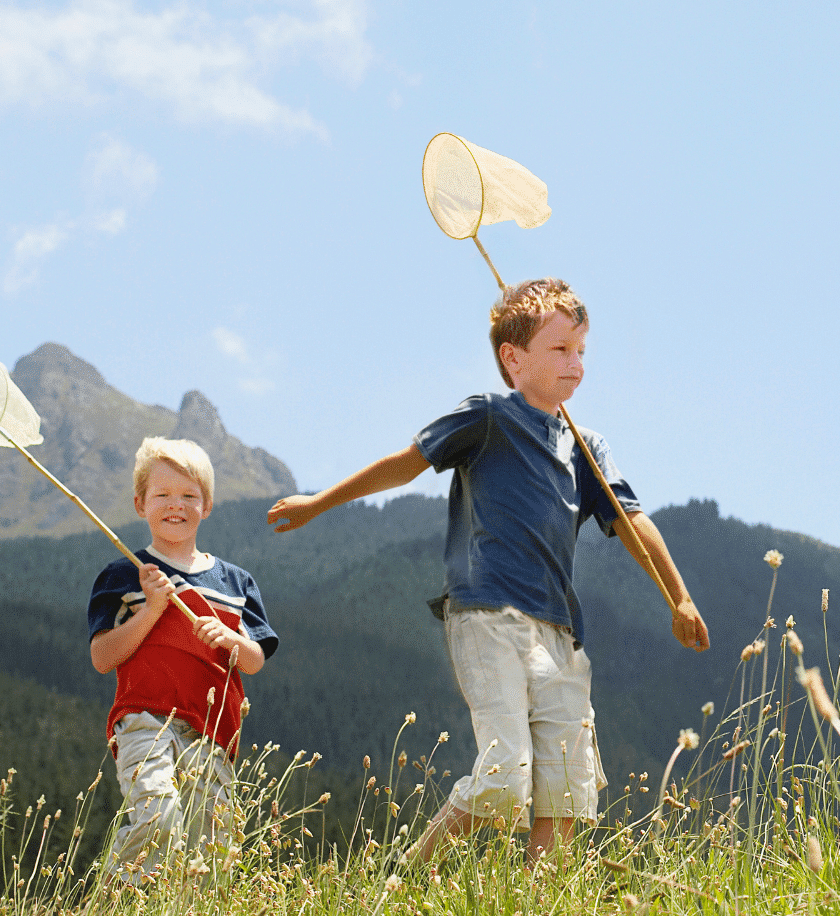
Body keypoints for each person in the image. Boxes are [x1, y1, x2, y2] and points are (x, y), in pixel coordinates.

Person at [266, 278, 709, 864]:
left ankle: (538, 904)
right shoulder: (490, 418)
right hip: (488, 614)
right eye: (559, 350)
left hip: (560, 633)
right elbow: (405, 464)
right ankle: (405, 878)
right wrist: (317, 502)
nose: (575, 365)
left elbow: (631, 520)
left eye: (581, 351)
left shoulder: (587, 447)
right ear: (513, 359)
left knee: (564, 796)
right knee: (504, 778)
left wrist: (677, 596)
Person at [89, 437, 276, 882]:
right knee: (159, 813)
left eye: (190, 496)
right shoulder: (124, 575)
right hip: (143, 719)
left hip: (212, 729)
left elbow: (253, 661)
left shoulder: (235, 582)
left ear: (207, 505)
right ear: (140, 504)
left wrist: (231, 638)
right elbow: (102, 656)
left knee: (211, 843)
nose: (177, 505)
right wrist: (151, 610)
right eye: (163, 495)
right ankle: (120, 900)